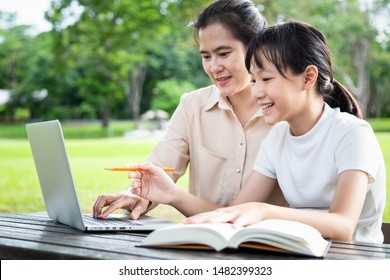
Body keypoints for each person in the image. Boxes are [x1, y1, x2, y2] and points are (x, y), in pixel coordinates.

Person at [125, 20, 386, 244]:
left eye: (267, 79)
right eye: (253, 80)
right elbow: (235, 212)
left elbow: (343, 226)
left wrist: (262, 211)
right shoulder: (278, 137)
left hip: (357, 259)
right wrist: (172, 193)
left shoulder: (352, 134)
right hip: (300, 257)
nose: (257, 92)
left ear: (308, 78)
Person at [93, 0, 285, 220]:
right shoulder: (192, 106)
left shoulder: (286, 112)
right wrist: (136, 195)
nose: (214, 67)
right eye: (206, 56)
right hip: (205, 243)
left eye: (223, 54)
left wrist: (173, 195)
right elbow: (161, 168)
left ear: (255, 48)